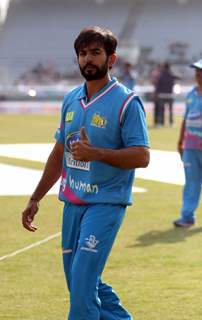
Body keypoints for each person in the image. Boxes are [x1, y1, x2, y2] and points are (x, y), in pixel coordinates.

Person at [21, 26, 150, 319]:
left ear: (111, 59)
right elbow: (59, 154)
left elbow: (142, 156)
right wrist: (36, 197)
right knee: (80, 283)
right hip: (72, 204)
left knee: (82, 285)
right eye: (82, 53)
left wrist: (97, 154)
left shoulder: (127, 102)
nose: (88, 59)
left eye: (95, 53)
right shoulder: (70, 99)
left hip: (105, 203)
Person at [173, 58, 202, 227]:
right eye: (197, 72)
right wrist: (180, 140)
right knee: (191, 183)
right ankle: (187, 217)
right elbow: (185, 118)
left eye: (201, 72)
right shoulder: (191, 94)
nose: (198, 75)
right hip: (190, 147)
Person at [155, 62, 179, 126]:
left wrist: (156, 93)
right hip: (170, 95)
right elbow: (178, 77)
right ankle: (171, 122)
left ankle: (160, 123)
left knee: (161, 110)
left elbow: (158, 85)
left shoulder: (161, 75)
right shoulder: (171, 74)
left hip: (162, 95)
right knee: (170, 110)